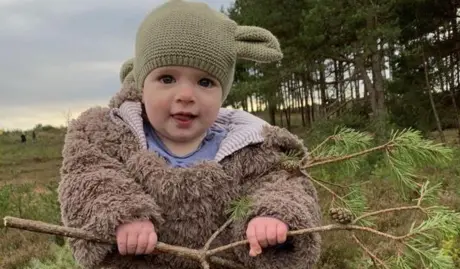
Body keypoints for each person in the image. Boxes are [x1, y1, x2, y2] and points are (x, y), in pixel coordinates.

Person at [57, 1, 322, 268]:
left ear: (223, 93)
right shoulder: (109, 135)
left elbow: (285, 183)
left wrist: (272, 215)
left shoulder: (251, 145)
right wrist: (122, 214)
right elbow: (89, 177)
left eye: (205, 82)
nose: (185, 96)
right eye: (167, 79)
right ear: (141, 84)